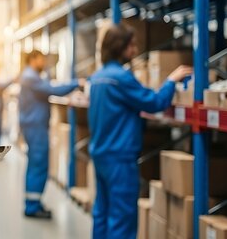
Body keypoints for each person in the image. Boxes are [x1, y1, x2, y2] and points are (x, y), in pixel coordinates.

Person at [88, 24, 192, 239]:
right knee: (122, 217)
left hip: (100, 153)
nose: (135, 50)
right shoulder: (121, 77)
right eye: (131, 45)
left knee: (102, 212)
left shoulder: (97, 77)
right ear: (121, 47)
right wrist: (171, 81)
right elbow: (154, 102)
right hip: (119, 157)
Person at [19, 49, 84, 219]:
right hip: (35, 127)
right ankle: (32, 206)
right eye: (41, 59)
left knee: (36, 164)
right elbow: (51, 89)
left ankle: (34, 201)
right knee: (38, 164)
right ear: (33, 59)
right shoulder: (30, 77)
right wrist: (77, 83)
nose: (44, 63)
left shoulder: (31, 75)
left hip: (35, 125)